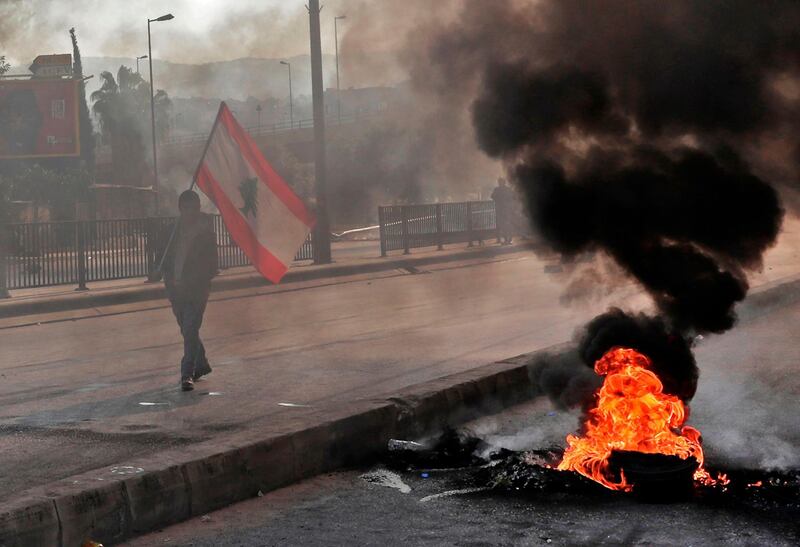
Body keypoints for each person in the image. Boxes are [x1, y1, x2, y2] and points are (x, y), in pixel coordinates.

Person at [158, 190, 218, 391]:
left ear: (199, 208)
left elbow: (212, 266)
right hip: (175, 291)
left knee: (191, 329)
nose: (191, 212)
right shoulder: (170, 232)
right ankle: (201, 364)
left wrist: (194, 281)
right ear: (180, 209)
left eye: (195, 208)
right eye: (187, 208)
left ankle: (187, 373)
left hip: (196, 291)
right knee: (187, 330)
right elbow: (162, 258)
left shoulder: (206, 235)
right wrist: (162, 274)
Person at [491, 177, 514, 245]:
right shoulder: (508, 189)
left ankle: (506, 239)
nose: (499, 183)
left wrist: (498, 199)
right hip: (507, 209)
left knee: (503, 225)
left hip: (501, 209)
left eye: (499, 182)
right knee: (507, 224)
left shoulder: (497, 189)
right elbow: (512, 197)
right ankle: (509, 239)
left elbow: (492, 196)